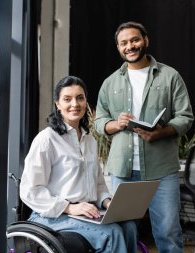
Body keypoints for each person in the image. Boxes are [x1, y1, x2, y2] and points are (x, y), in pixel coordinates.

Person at [94, 21, 194, 253]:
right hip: (123, 171)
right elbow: (99, 122)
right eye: (124, 43)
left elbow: (185, 117)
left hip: (162, 170)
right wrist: (115, 124)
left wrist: (162, 132)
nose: (130, 46)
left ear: (145, 40)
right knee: (124, 232)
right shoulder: (110, 83)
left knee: (168, 231)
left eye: (135, 40)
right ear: (118, 47)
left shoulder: (170, 76)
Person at [20, 75, 138, 253]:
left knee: (129, 226)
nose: (75, 104)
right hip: (53, 215)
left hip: (86, 211)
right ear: (57, 105)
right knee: (111, 234)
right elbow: (30, 190)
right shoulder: (47, 139)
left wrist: (107, 202)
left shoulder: (90, 140)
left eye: (80, 98)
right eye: (67, 99)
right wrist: (70, 207)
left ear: (85, 102)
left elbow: (97, 183)